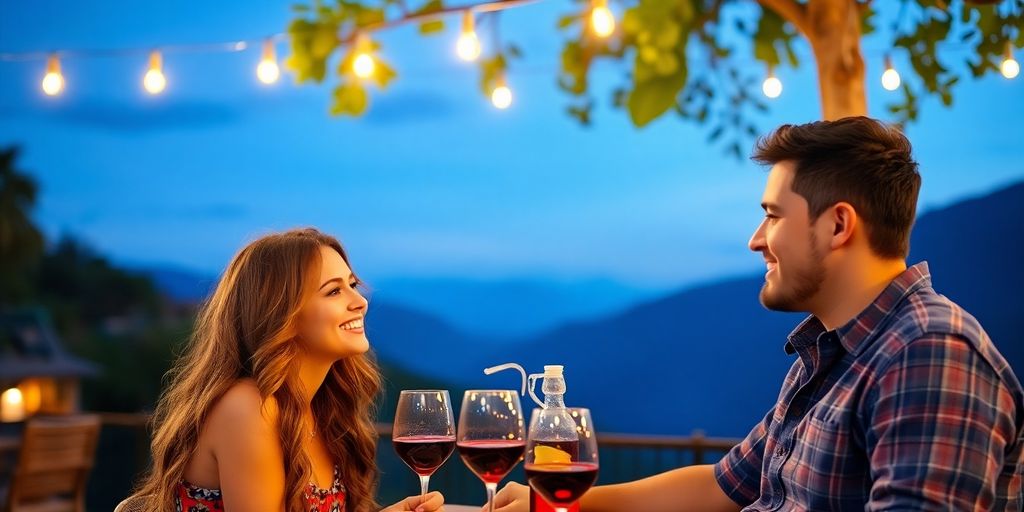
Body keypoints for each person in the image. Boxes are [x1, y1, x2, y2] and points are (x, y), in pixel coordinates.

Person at [492, 116, 1024, 511]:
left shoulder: (930, 355)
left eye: (772, 216)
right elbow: (721, 486)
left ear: (838, 226)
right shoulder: (829, 355)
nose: (755, 241)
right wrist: (554, 504)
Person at [127, 228, 445, 512]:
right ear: (282, 314)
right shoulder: (249, 408)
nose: (360, 301)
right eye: (334, 291)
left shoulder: (320, 409)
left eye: (352, 284)